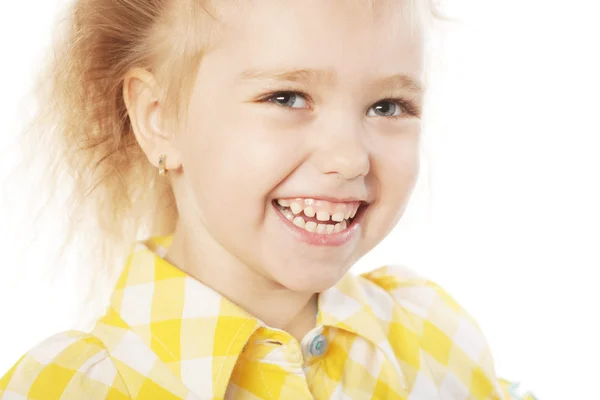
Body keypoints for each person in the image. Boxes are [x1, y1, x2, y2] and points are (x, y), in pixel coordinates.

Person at [0, 0, 536, 399]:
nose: (349, 159)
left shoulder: (433, 340)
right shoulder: (65, 387)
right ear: (158, 118)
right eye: (287, 97)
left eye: (389, 106)